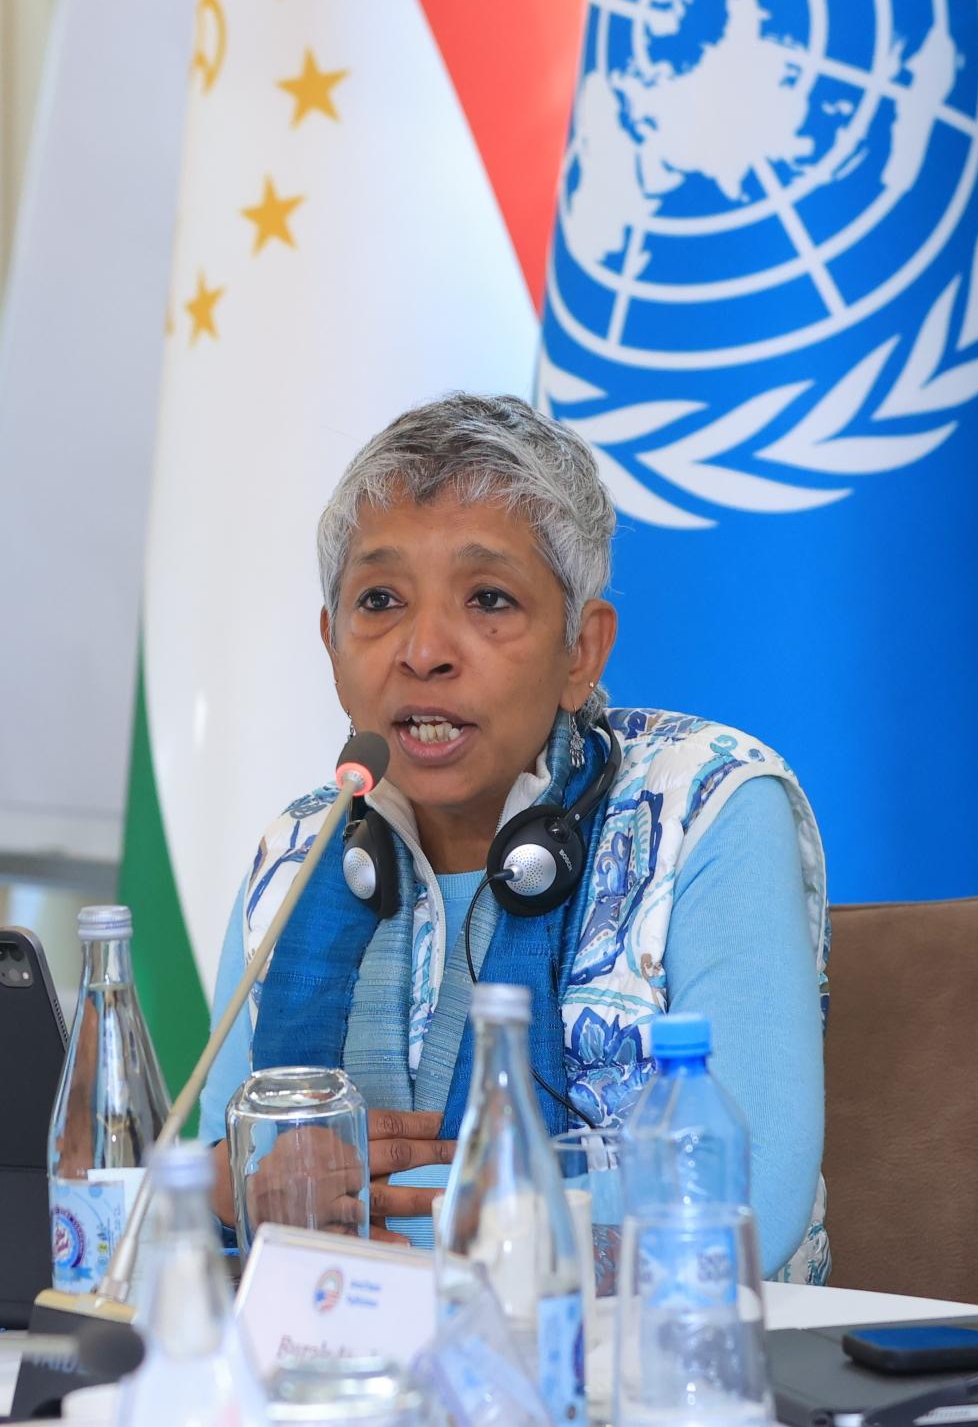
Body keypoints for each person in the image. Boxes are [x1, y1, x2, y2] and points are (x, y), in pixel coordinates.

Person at [200, 393, 830, 1281]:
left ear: (582, 651)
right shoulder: (299, 854)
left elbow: (744, 1195)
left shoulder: (708, 805)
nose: (424, 650)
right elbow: (217, 1184)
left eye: (487, 598)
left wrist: (358, 1218)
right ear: (332, 644)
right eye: (379, 600)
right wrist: (238, 1194)